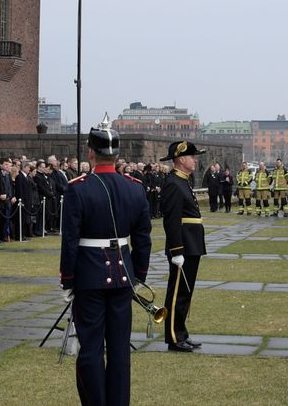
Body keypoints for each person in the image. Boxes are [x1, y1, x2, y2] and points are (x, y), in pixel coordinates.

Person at [61, 123, 152, 405]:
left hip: (89, 277)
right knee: (119, 350)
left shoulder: (78, 188)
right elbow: (143, 239)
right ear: (116, 154)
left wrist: (67, 279)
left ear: (91, 153)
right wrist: (138, 274)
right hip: (124, 276)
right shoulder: (135, 188)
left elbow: (70, 241)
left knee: (90, 349)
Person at [159, 140, 206, 353]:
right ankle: (173, 337)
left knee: (185, 292)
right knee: (177, 293)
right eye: (191, 157)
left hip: (192, 243)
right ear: (180, 159)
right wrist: (176, 251)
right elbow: (171, 220)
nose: (194, 160)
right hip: (183, 246)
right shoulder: (173, 183)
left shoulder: (183, 180)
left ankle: (181, 333)